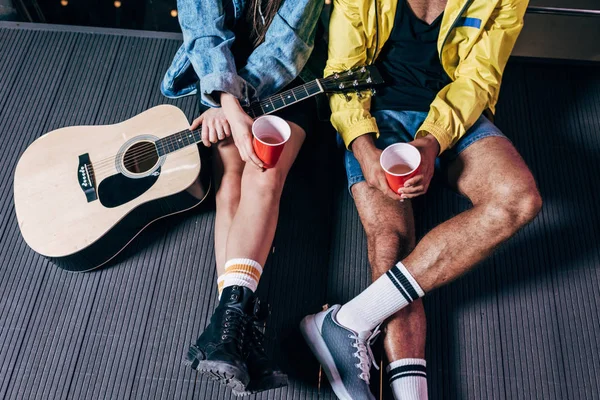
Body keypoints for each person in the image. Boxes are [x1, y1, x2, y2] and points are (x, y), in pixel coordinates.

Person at [300, 0, 542, 399]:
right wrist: (363, 149)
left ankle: (348, 320)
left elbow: (480, 78)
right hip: (375, 117)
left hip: (456, 117)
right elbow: (342, 70)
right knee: (390, 242)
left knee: (519, 199)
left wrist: (432, 141)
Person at [161, 0, 323, 396]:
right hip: (219, 75)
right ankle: (236, 332)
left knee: (265, 175)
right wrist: (225, 101)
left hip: (286, 82)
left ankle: (226, 327)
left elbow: (287, 48)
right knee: (230, 181)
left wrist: (230, 103)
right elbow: (203, 30)